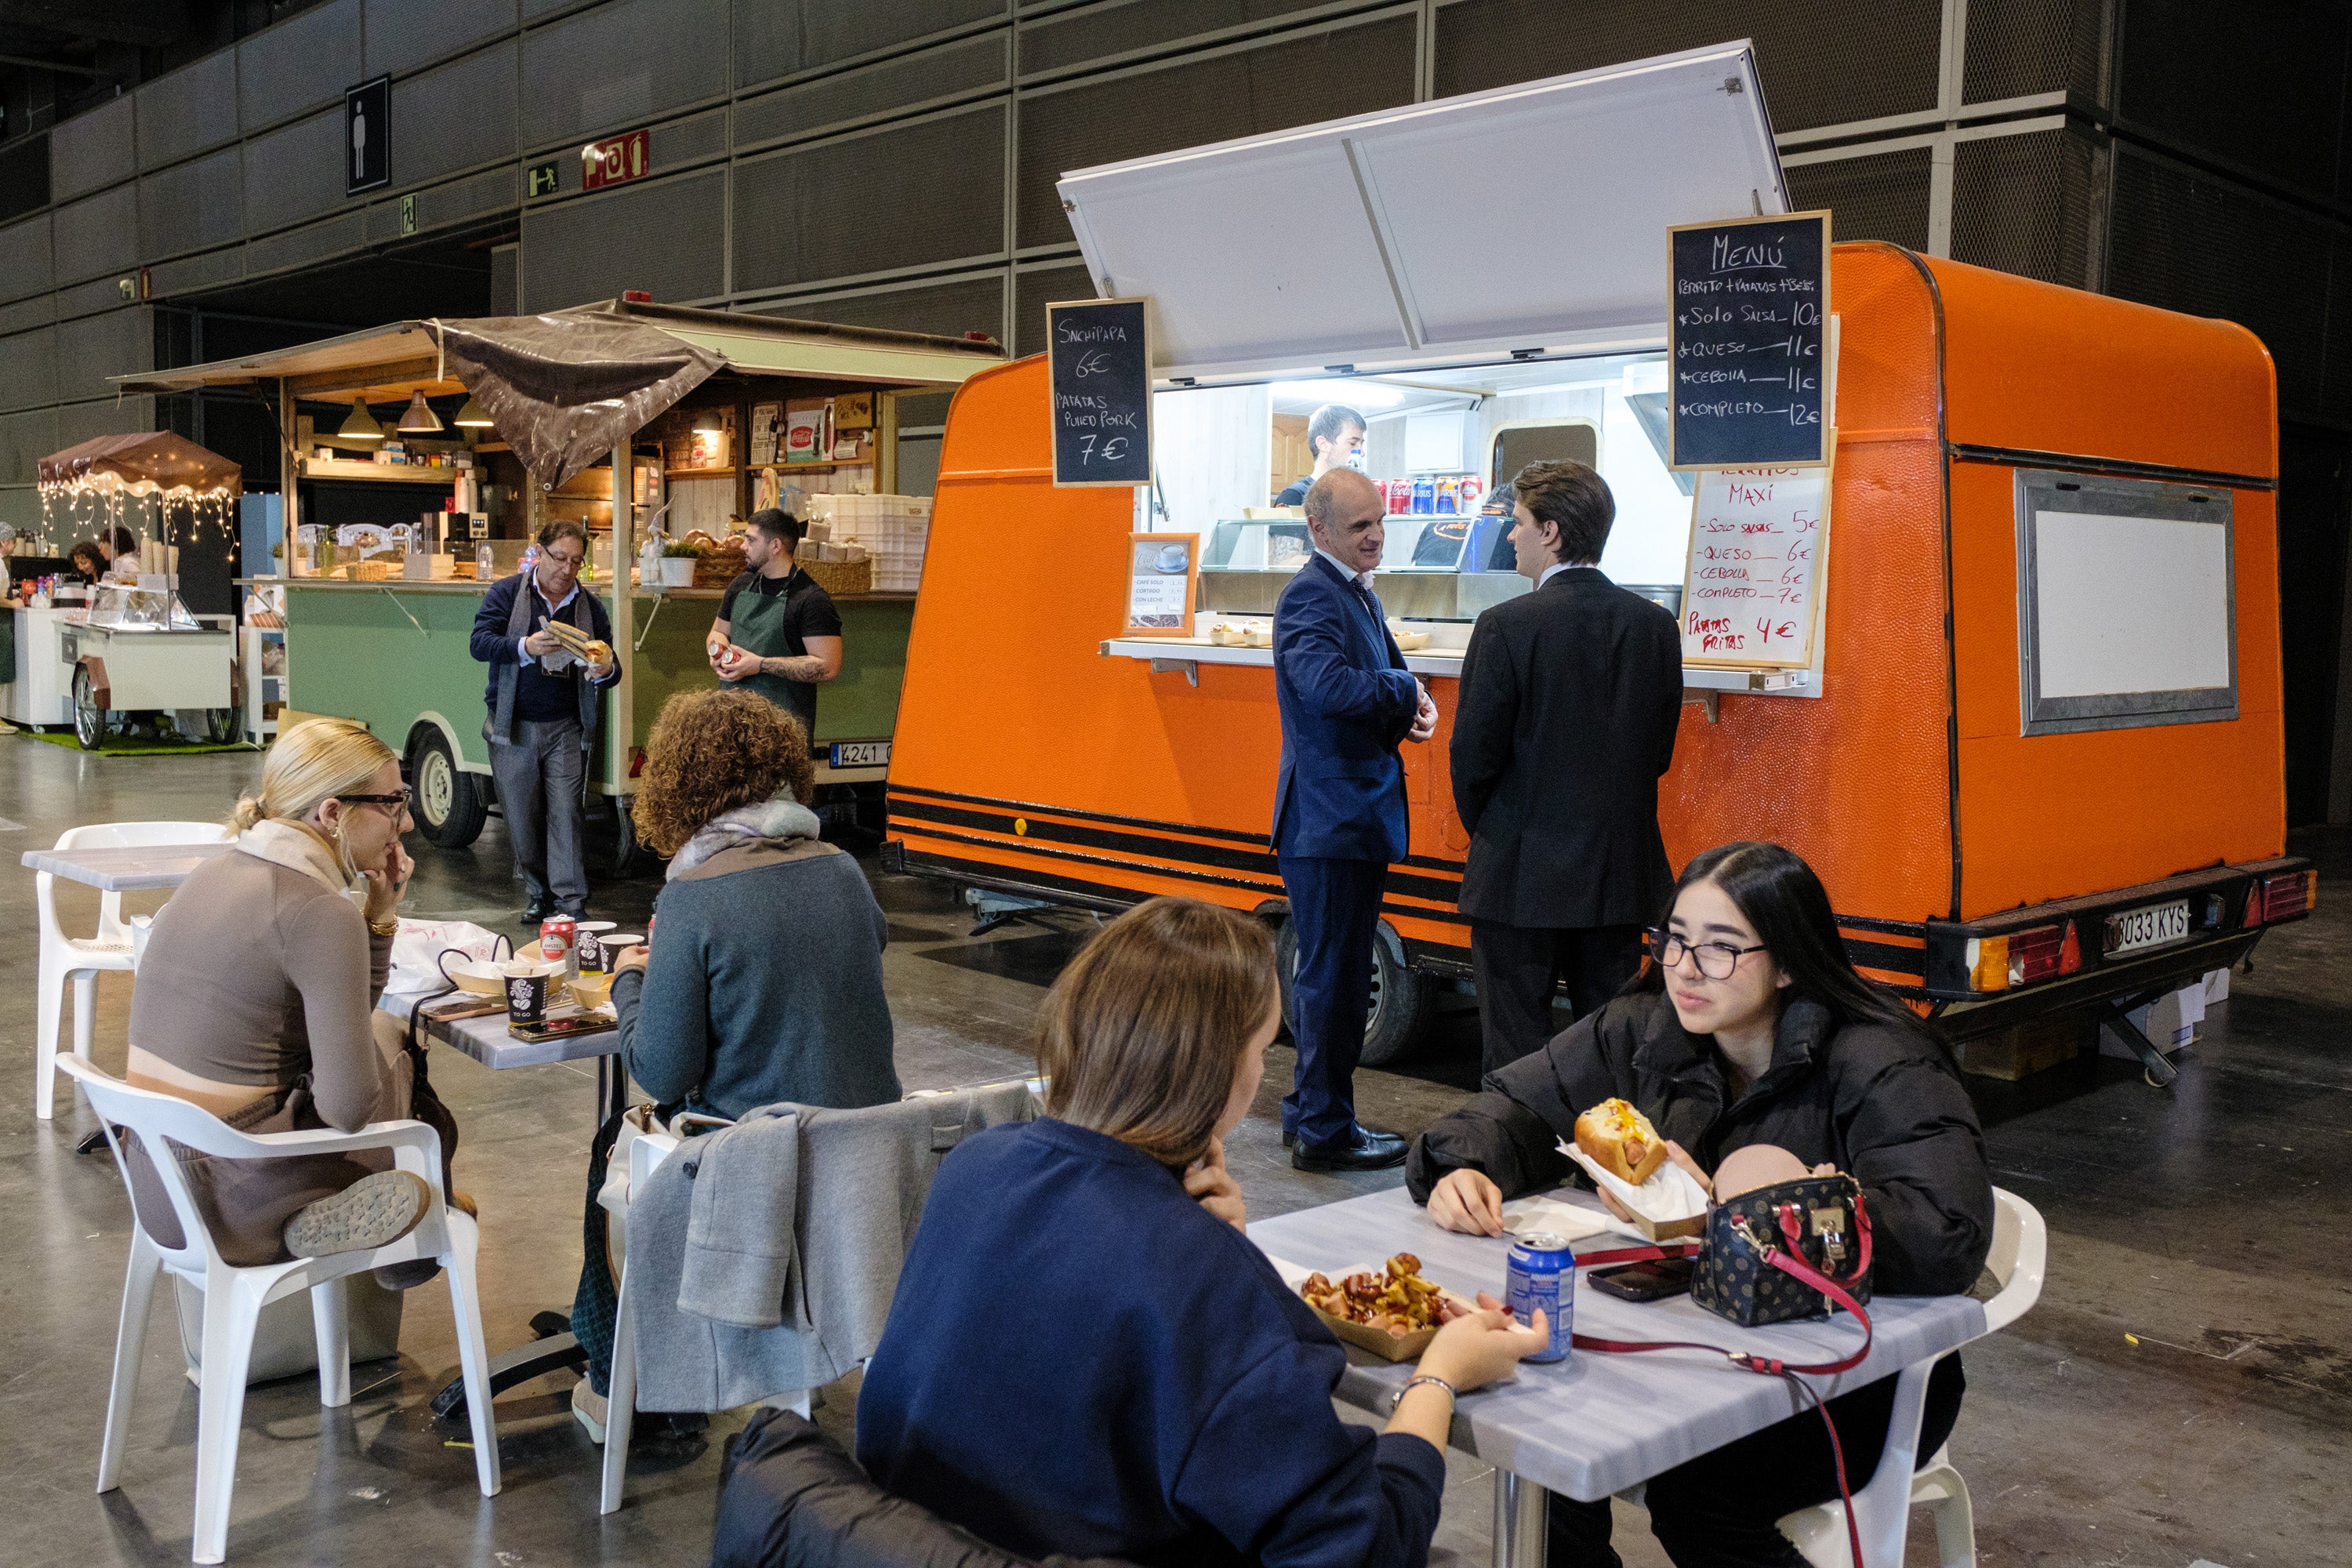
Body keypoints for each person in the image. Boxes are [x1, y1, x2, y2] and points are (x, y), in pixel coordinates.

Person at [855, 896, 1548, 1566]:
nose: (1263, 1067)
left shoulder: (975, 1169)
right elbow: (1365, 1545)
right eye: (1262, 1046)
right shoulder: (1200, 1278)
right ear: (1220, 1074)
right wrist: (1440, 1376)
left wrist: (1212, 1252)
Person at [1406, 840, 1994, 1568]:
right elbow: (1519, 1105)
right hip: (1693, 1348)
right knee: (1546, 1427)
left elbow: (1946, 1232)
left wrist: (1737, 1210)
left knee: (1699, 1495)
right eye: (1676, 941)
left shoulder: (1880, 1058)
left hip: (1858, 1382)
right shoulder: (1646, 1028)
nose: (1686, 968)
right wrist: (1461, 1164)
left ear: (1786, 963)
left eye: (1721, 950)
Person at [568, 687, 898, 1437]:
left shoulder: (694, 893)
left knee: (606, 1153)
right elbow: (845, 964)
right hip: (865, 1161)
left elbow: (662, 1066)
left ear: (679, 786)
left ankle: (618, 1383)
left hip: (760, 1164)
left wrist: (632, 981)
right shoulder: (843, 867)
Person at [121, 718, 464, 1275]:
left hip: (158, 1184)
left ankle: (406, 1216)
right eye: (392, 803)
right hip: (236, 1201)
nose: (404, 824)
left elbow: (343, 1005)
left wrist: (378, 918)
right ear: (331, 814)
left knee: (371, 1041)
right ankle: (414, 1234)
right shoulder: (317, 910)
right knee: (395, 1061)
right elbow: (349, 1109)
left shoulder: (215, 871)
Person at [1450, 459, 1684, 1073]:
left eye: (1519, 522)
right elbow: (1657, 754)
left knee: (1515, 1056)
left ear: (1550, 532)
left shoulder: (1504, 625)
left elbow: (1473, 759)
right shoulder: (1656, 627)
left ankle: (1514, 1163)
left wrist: (1499, 834)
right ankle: (1601, 1167)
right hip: (1616, 877)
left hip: (1519, 876)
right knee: (1608, 1049)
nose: (1510, 535)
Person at [1271, 467, 1438, 1171]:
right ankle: (1324, 1132)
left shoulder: (1352, 592)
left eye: (1379, 522)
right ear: (1320, 529)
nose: (1375, 537)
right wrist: (1404, 687)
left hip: (1346, 816)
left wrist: (1406, 711)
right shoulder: (1313, 593)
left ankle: (1308, 1115)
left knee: (1331, 976)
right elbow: (1324, 685)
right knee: (1334, 983)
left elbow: (1355, 689)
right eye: (1360, 526)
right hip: (1330, 821)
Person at [469, 520, 620, 924]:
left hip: (567, 726)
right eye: (559, 558)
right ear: (539, 553)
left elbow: (612, 668)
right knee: (521, 814)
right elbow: (479, 643)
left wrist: (603, 667)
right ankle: (537, 893)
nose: (567, 569)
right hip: (512, 724)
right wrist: (525, 647)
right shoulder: (507, 593)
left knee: (567, 814)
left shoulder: (590, 606)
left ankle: (571, 901)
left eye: (576, 562)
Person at [706, 507, 843, 739]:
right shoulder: (741, 585)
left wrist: (760, 665)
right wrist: (718, 653)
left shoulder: (810, 599)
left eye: (751, 540)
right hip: (730, 722)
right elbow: (718, 632)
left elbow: (828, 667)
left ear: (776, 546)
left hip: (783, 732)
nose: (742, 546)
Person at [1273, 403, 1367, 507]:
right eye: (1352, 443)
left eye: (1361, 444)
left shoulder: (1355, 495)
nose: (1362, 453)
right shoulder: (1294, 496)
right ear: (1323, 444)